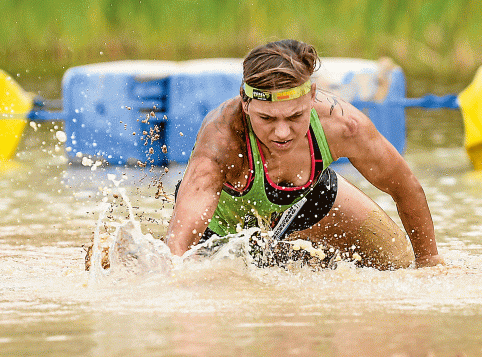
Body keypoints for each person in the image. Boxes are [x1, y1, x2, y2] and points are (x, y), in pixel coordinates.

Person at [166, 39, 444, 269]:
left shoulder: (343, 125)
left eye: (295, 116)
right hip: (223, 230)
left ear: (312, 94)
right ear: (245, 100)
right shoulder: (222, 140)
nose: (282, 132)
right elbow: (178, 245)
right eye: (267, 119)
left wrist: (430, 262)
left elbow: (405, 186)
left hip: (309, 199)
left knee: (400, 264)